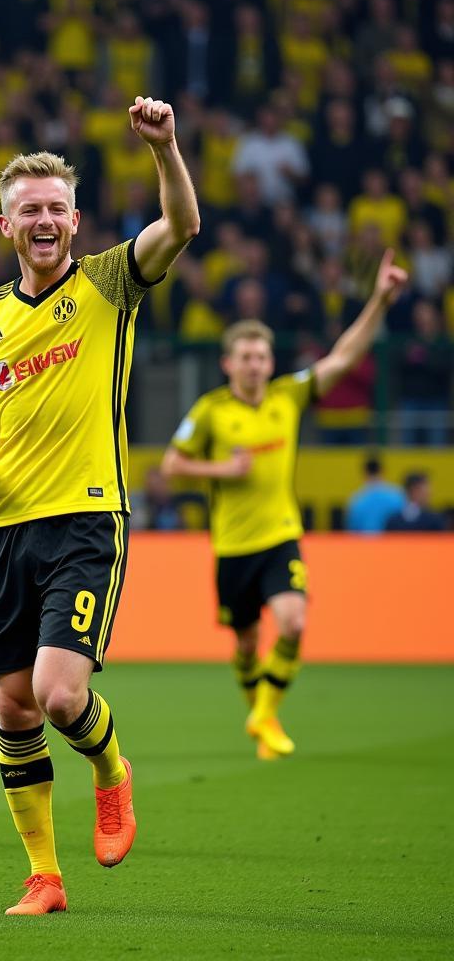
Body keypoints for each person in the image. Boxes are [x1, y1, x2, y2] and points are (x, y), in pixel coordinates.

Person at [0, 95, 201, 917]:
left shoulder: (109, 281)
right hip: (6, 527)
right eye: (29, 211)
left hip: (89, 517)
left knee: (57, 694)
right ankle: (44, 877)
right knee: (13, 704)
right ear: (5, 225)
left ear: (76, 220)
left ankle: (111, 769)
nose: (44, 220)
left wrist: (164, 149)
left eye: (56, 208)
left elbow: (182, 227)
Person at [161, 251, 408, 762]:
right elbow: (170, 466)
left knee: (293, 622)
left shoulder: (287, 397)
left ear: (271, 362)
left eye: (262, 357)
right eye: (245, 357)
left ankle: (264, 713)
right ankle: (264, 717)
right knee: (247, 644)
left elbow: (343, 356)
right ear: (229, 363)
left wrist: (380, 299)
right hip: (232, 546)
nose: (255, 365)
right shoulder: (210, 412)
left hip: (279, 535)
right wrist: (220, 471)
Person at [346, 456, 405, 534]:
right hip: (391, 543)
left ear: (364, 472)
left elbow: (352, 530)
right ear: (382, 470)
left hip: (365, 543)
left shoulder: (356, 499)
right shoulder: (397, 495)